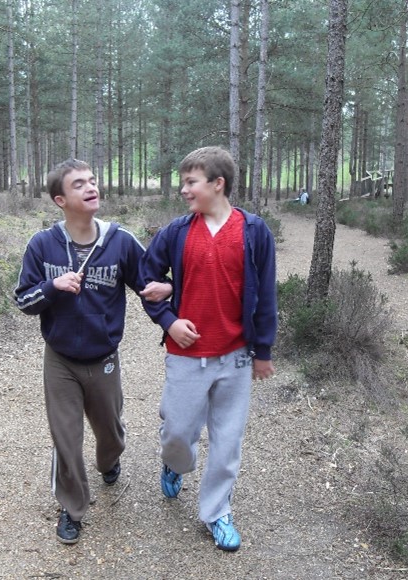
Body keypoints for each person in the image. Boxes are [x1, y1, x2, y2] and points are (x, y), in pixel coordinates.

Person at [13, 159, 171, 544]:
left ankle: (108, 460)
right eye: (79, 183)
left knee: (110, 433)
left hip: (103, 359)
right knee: (65, 437)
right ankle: (73, 507)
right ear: (60, 200)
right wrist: (52, 287)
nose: (90, 187)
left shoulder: (120, 241)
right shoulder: (42, 244)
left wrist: (170, 306)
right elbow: (23, 300)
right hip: (61, 360)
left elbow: (149, 287)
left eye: (92, 180)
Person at [139, 146, 277, 552]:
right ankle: (175, 463)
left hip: (235, 356)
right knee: (177, 433)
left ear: (218, 184)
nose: (184, 190)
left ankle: (217, 512)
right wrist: (169, 319)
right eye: (183, 182)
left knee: (227, 441)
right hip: (186, 356)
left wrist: (263, 351)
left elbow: (265, 294)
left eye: (191, 182)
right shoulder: (177, 232)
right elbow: (147, 278)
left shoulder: (253, 231)